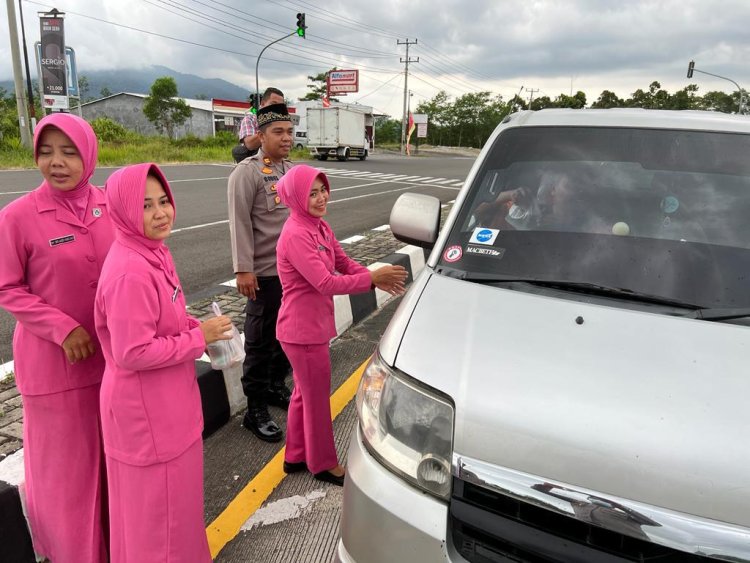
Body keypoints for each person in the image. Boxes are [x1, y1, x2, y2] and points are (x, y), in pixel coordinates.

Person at [94, 163, 233, 562]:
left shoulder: (153, 251)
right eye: (146, 206)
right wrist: (198, 337)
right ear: (122, 211)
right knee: (159, 529)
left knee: (175, 518)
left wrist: (194, 325)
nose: (160, 213)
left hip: (169, 411)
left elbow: (161, 320)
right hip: (148, 422)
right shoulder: (130, 272)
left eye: (164, 201)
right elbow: (132, 351)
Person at [0, 113, 114, 562]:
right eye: (46, 152)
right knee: (68, 479)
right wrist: (62, 327)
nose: (57, 162)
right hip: (55, 373)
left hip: (111, 362)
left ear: (88, 154)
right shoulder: (17, 217)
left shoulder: (111, 205)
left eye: (69, 151)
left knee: (110, 468)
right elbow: (7, 288)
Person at [275, 164, 408, 486]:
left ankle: (295, 455)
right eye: (313, 192)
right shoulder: (295, 234)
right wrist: (371, 280)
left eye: (323, 190)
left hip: (311, 327)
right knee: (317, 398)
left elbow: (343, 262)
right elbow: (324, 282)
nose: (321, 198)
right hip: (301, 330)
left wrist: (373, 277)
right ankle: (322, 463)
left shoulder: (318, 227)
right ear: (295, 196)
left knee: (303, 395)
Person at [228, 102, 295, 441]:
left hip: (291, 273)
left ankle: (274, 386)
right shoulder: (247, 172)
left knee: (284, 337)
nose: (286, 138)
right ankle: (255, 409)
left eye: (289, 131)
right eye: (278, 132)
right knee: (258, 340)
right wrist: (243, 269)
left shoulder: (290, 171)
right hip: (264, 274)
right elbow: (239, 221)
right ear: (262, 135)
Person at [233, 87, 285, 163]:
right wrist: (269, 126)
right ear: (262, 104)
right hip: (254, 165)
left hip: (276, 163)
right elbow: (250, 144)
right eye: (273, 104)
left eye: (280, 106)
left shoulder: (283, 123)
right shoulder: (250, 119)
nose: (276, 108)